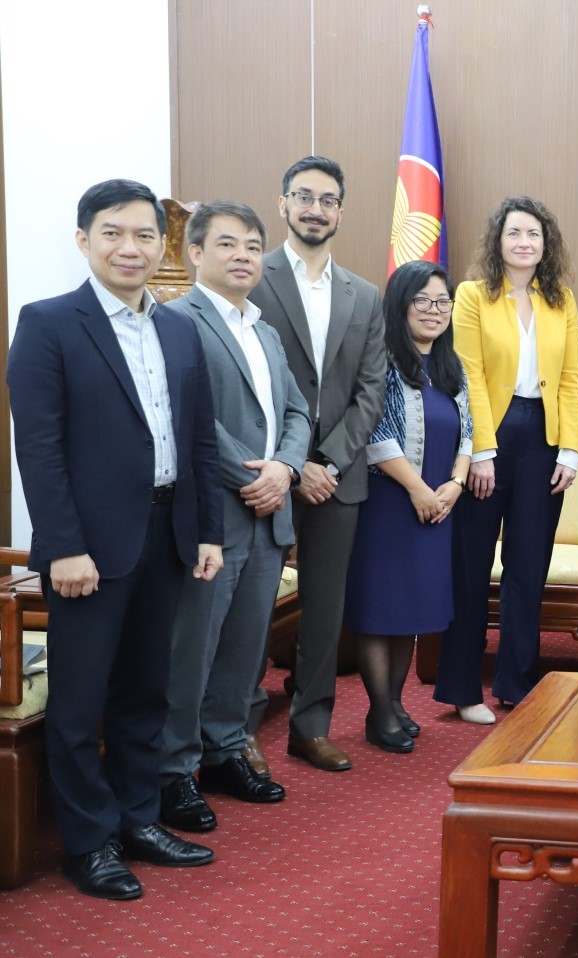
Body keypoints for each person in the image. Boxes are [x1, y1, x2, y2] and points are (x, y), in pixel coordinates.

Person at [8, 179, 224, 899]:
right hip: (88, 549)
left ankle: (138, 819)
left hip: (167, 533)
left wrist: (206, 531)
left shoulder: (178, 328)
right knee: (78, 704)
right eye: (113, 233)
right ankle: (88, 843)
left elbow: (197, 441)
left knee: (146, 691)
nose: (130, 247)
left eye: (144, 235)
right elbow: (39, 450)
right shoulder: (48, 323)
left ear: (163, 245)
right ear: (84, 240)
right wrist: (63, 546)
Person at [159, 202, 311, 834]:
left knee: (245, 650)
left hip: (269, 514)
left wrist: (287, 468)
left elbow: (297, 411)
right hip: (213, 517)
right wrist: (255, 477)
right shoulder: (175, 320)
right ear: (195, 253)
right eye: (228, 244)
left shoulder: (263, 328)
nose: (244, 255)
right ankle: (172, 772)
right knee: (192, 650)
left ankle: (223, 754)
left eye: (252, 245)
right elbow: (186, 416)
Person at [246, 156, 386, 773]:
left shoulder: (365, 295)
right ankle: (238, 731)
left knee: (325, 610)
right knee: (252, 609)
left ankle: (311, 726)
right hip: (265, 473)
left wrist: (327, 460)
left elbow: (371, 390)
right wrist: (295, 463)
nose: (315, 209)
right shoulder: (253, 278)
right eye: (303, 197)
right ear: (283, 204)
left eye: (328, 200)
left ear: (340, 212)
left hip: (339, 475)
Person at [437, 196, 578, 721]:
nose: (524, 242)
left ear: (546, 244)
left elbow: (571, 378)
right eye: (514, 233)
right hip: (489, 436)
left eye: (534, 234)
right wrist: (480, 450)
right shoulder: (473, 295)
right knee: (471, 566)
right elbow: (468, 374)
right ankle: (463, 689)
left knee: (528, 566)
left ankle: (516, 682)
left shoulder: (562, 300)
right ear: (498, 240)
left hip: (544, 438)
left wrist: (570, 449)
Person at [346, 261, 472, 749]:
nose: (434, 310)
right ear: (400, 304)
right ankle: (379, 712)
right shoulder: (380, 360)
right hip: (388, 504)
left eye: (442, 301)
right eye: (422, 300)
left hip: (438, 505)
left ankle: (395, 703)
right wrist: (418, 489)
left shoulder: (451, 365)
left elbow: (469, 431)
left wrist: (456, 483)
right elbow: (374, 433)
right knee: (381, 606)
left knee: (411, 608)